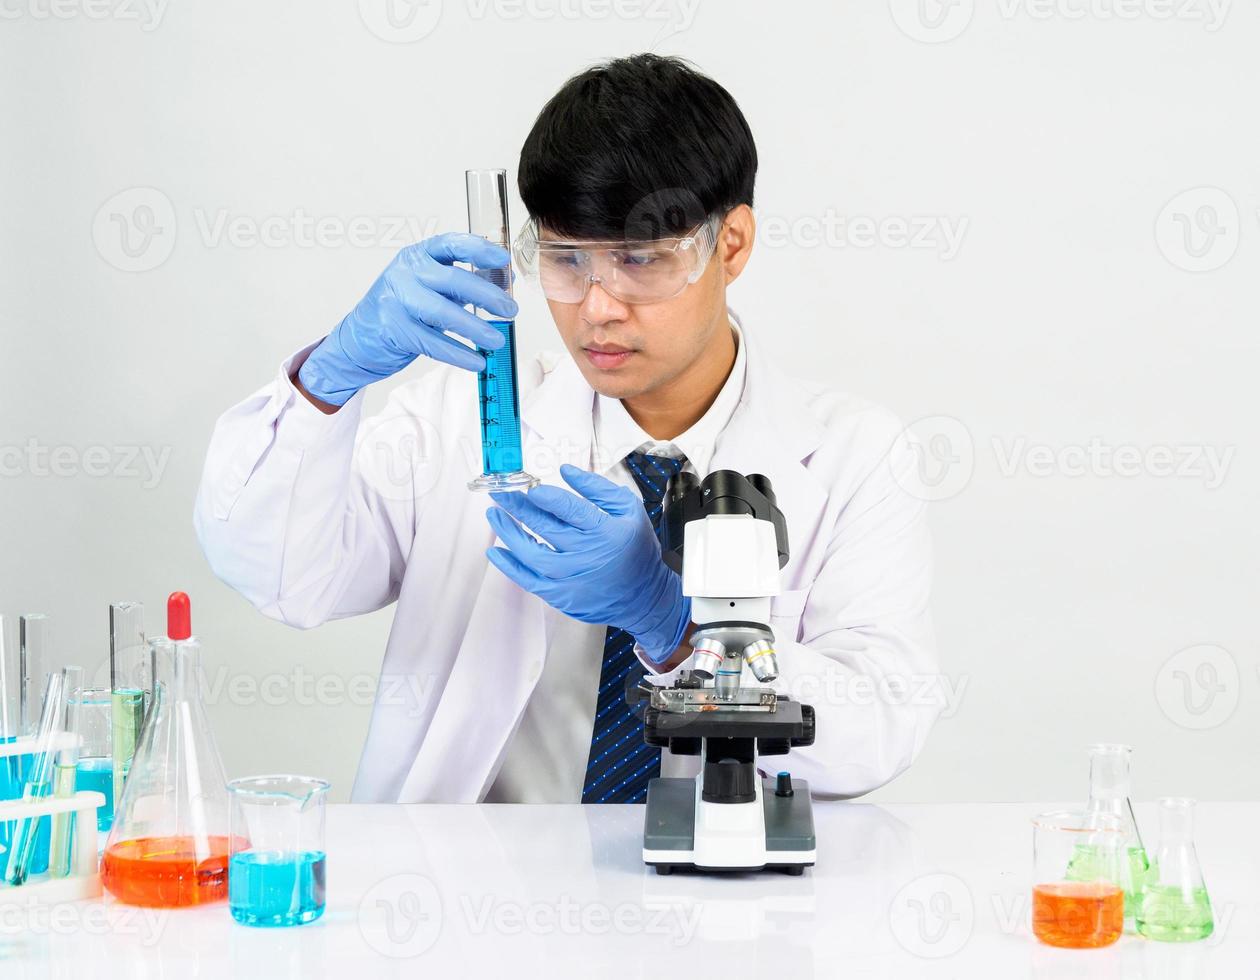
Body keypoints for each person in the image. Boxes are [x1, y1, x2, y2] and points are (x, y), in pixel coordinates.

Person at [194, 53, 938, 804]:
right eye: (565, 259)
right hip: (467, 896)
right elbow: (283, 575)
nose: (597, 306)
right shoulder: (462, 421)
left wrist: (674, 621)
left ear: (733, 244)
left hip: (726, 899)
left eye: (640, 260)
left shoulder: (854, 456)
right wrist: (329, 378)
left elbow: (875, 734)